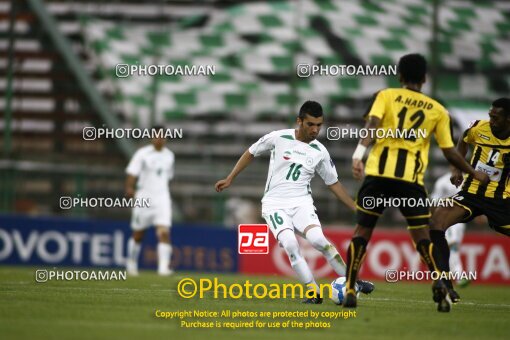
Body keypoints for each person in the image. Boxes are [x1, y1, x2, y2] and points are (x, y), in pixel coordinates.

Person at [345, 53, 489, 312]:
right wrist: (472, 172)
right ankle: (439, 283)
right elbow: (449, 151)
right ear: (424, 78)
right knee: (422, 236)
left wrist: (359, 154)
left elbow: (373, 123)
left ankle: (350, 288)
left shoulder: (386, 95)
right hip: (410, 181)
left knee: (362, 232)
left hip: (378, 176)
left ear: (399, 75)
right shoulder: (437, 110)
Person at [215, 100, 374, 304]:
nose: (315, 129)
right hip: (274, 205)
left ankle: (355, 283)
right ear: (299, 121)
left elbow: (333, 183)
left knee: (319, 241)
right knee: (290, 244)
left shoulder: (320, 151)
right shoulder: (278, 137)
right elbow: (251, 152)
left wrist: (355, 208)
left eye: (319, 125)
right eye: (310, 124)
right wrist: (230, 178)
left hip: (302, 204)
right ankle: (313, 293)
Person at [430, 98, 510, 292]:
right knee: (437, 221)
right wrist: (456, 168)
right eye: (490, 116)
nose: (491, 120)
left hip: (501, 200)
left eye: (496, 118)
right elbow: (463, 141)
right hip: (471, 194)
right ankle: (445, 284)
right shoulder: (478, 128)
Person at [125, 126, 175, 276]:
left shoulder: (170, 156)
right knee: (138, 233)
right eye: (156, 136)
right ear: (151, 137)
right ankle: (132, 263)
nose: (159, 139)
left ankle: (163, 268)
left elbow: (168, 177)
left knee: (164, 232)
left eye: (162, 136)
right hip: (144, 197)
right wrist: (129, 187)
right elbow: (132, 172)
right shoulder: (142, 154)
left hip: (162, 198)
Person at [430, 166, 469, 287]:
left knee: (452, 246)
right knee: (452, 246)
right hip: (445, 218)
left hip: (461, 221)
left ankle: (443, 275)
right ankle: (458, 276)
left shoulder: (468, 180)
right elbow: (434, 201)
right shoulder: (442, 182)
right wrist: (432, 218)